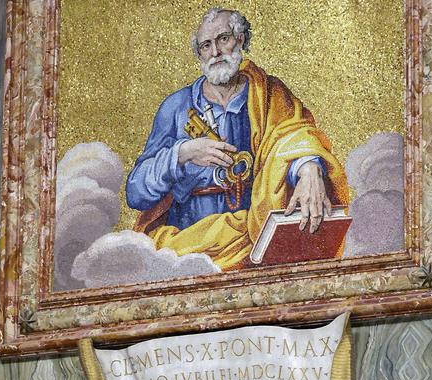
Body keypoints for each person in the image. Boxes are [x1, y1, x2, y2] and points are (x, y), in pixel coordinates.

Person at [125, 6, 348, 271]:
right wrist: (182, 153)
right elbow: (135, 192)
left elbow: (294, 135)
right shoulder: (176, 107)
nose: (215, 52)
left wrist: (309, 167)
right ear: (199, 54)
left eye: (223, 39)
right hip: (189, 248)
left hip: (256, 238)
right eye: (206, 46)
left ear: (240, 39)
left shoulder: (268, 94)